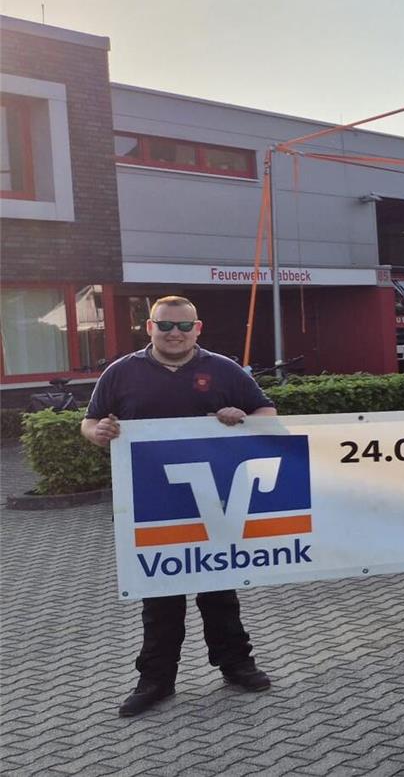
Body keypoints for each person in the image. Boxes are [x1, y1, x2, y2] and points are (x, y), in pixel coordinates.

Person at [81, 296, 276, 717]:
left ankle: (237, 664)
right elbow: (90, 420)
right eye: (165, 325)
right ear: (148, 326)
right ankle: (156, 680)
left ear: (198, 328)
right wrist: (98, 431)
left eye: (183, 327)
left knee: (220, 590)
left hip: (215, 502)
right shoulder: (121, 372)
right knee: (160, 596)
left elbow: (267, 411)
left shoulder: (223, 368)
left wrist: (243, 415)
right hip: (151, 503)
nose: (175, 334)